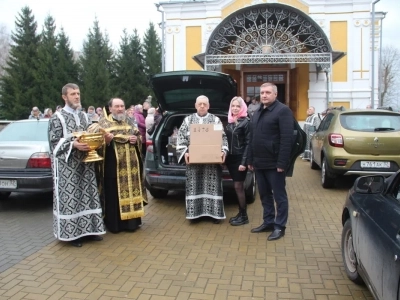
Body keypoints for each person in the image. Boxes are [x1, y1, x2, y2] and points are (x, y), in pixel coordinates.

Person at [48, 83, 105, 247]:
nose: (77, 96)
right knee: (72, 199)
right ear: (64, 97)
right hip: (67, 168)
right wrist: (73, 144)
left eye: (78, 93)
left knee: (88, 195)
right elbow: (54, 143)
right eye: (73, 94)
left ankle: (91, 231)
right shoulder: (56, 118)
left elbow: (90, 135)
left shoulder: (85, 116)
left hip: (86, 164)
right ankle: (72, 235)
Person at [94, 97, 147, 233]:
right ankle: (115, 225)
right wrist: (105, 142)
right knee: (113, 195)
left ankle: (131, 224)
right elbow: (96, 146)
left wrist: (137, 140)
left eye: (122, 106)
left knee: (131, 192)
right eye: (117, 106)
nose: (120, 109)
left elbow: (139, 137)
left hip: (131, 168)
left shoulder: (129, 121)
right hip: (113, 167)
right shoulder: (102, 124)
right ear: (110, 108)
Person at [247, 82, 293, 241]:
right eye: (262, 93)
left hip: (274, 164)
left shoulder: (283, 111)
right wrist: (250, 159)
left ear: (275, 94)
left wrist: (282, 163)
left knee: (279, 197)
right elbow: (252, 138)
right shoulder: (258, 111)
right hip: (259, 163)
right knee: (265, 195)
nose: (264, 95)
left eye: (267, 92)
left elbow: (287, 139)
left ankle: (280, 226)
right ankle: (268, 222)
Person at [176, 95, 228, 223]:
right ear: (195, 105)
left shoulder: (215, 120)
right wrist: (185, 153)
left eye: (205, 104)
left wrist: (223, 151)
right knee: (194, 188)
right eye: (200, 104)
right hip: (194, 164)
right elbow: (181, 138)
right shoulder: (188, 120)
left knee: (214, 187)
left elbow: (223, 138)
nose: (202, 106)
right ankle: (195, 215)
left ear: (209, 106)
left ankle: (214, 215)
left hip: (212, 165)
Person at [225, 96, 250, 226]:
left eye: (237, 106)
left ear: (242, 108)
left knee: (238, 186)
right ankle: (240, 214)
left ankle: (244, 215)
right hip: (230, 158)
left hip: (240, 158)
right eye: (233, 106)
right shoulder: (229, 122)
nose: (235, 108)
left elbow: (248, 143)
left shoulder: (246, 122)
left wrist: (243, 162)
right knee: (236, 186)